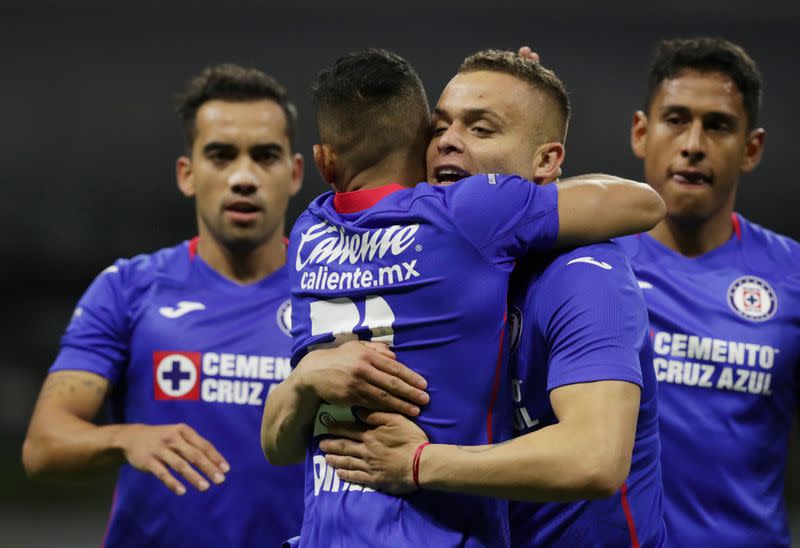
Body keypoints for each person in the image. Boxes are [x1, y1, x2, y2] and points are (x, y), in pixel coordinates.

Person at [262, 48, 665, 547]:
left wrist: (418, 462)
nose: (448, 143)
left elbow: (595, 458)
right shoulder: (426, 264)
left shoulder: (584, 277)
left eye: (481, 128)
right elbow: (280, 443)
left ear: (546, 161)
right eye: (439, 127)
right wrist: (304, 379)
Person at [22, 64, 308, 547]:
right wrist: (126, 438)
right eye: (220, 155)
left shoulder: (332, 295)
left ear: (295, 172)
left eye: (264, 156)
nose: (243, 177)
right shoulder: (128, 289)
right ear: (187, 173)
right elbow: (44, 445)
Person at [615, 37, 800, 547]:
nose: (693, 143)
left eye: (718, 125)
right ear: (640, 133)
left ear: (751, 148)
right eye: (676, 119)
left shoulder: (793, 275)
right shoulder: (589, 266)